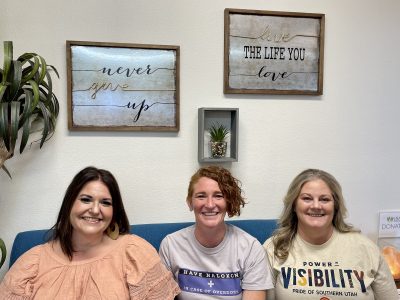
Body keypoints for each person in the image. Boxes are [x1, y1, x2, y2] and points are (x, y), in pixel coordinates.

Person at [0, 166, 180, 299]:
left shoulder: (135, 252)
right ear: (69, 203)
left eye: (105, 203)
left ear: (114, 211)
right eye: (86, 200)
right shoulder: (32, 263)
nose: (95, 210)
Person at [263, 168, 398, 300]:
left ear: (336, 205)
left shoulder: (366, 248)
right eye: (307, 198)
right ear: (293, 205)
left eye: (324, 199)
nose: (316, 206)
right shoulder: (274, 248)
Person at [159, 165, 273, 300]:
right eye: (201, 196)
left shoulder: (250, 248)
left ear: (228, 201)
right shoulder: (171, 245)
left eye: (218, 196)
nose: (210, 204)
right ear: (190, 202)